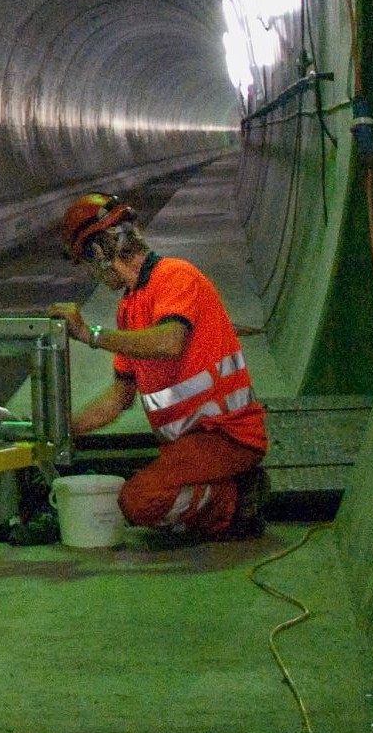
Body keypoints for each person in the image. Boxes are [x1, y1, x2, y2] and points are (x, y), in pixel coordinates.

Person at [50, 192, 268, 542]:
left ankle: (236, 498)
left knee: (139, 502)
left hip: (226, 436)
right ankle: (212, 493)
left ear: (99, 251)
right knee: (144, 497)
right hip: (188, 445)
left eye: (86, 261)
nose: (91, 273)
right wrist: (62, 427)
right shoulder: (129, 308)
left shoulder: (176, 277)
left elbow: (169, 342)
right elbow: (120, 397)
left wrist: (89, 334)